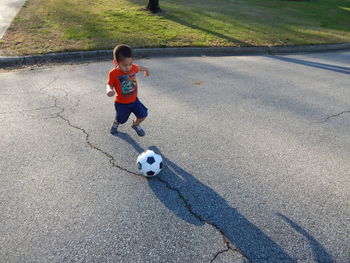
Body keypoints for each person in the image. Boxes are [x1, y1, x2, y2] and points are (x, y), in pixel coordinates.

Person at [106, 44, 150, 136]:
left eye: (130, 63)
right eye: (125, 65)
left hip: (134, 101)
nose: (128, 67)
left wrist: (146, 69)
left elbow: (139, 67)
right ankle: (116, 123)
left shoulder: (132, 67)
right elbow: (109, 84)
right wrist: (109, 90)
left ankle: (135, 124)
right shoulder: (113, 73)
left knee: (143, 114)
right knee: (121, 120)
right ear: (116, 62)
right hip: (121, 103)